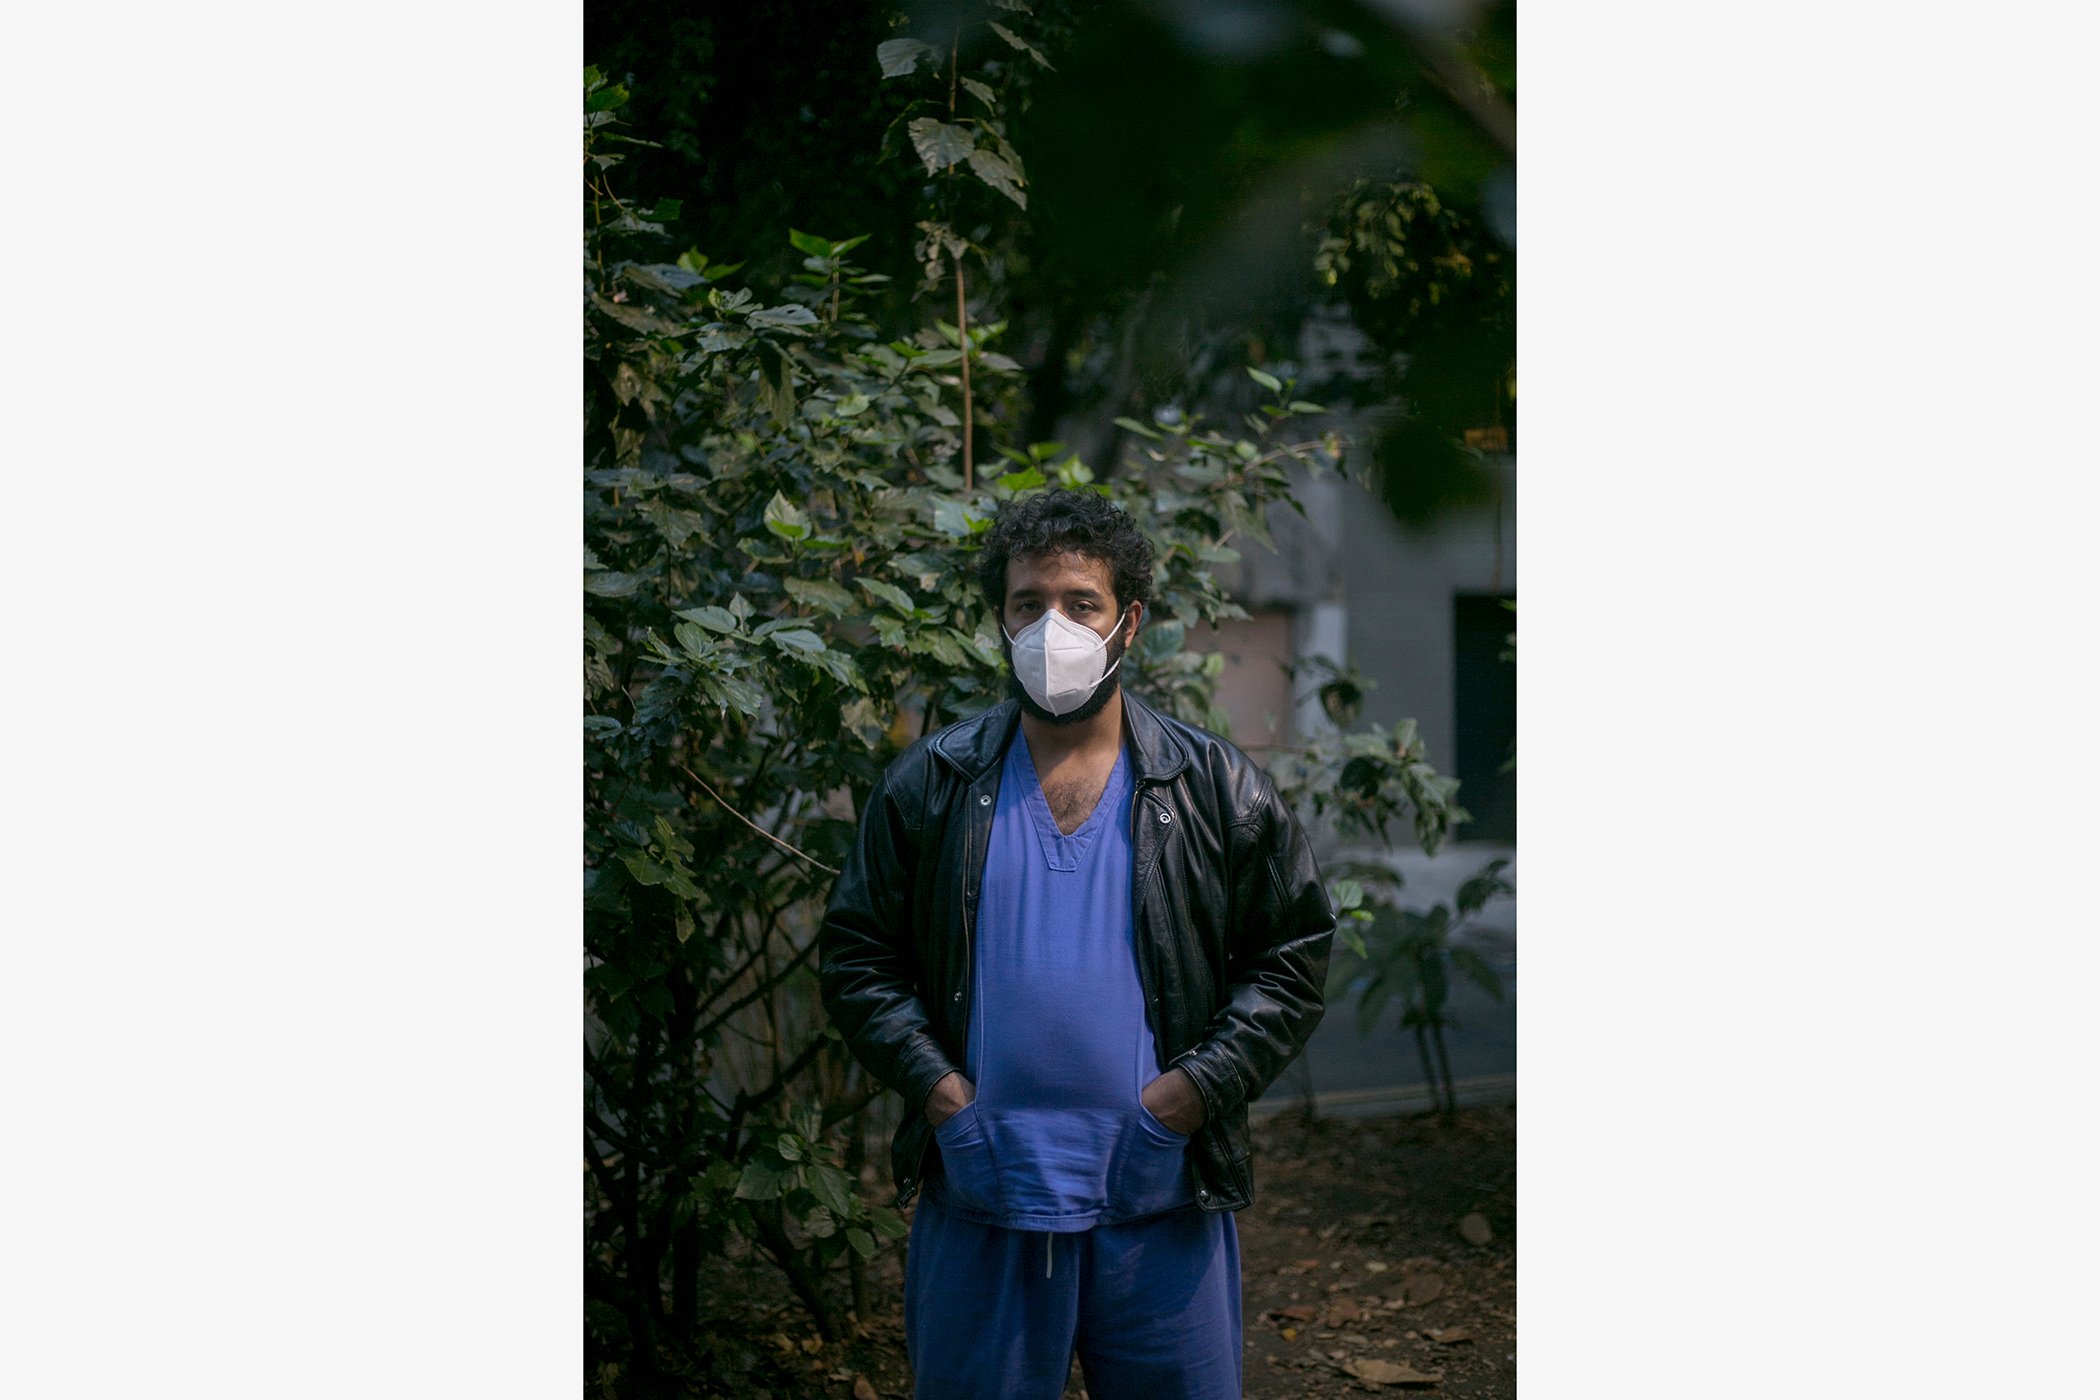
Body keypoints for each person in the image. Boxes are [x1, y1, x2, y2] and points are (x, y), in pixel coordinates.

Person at [820, 489, 1334, 1400]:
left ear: (1127, 623)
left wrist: (1191, 1094)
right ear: (1000, 620)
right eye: (1029, 604)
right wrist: (943, 1098)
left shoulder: (1213, 787)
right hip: (983, 1190)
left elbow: (1292, 957)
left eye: (1080, 603)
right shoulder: (931, 783)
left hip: (1159, 1194)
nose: (1051, 627)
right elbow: (859, 958)